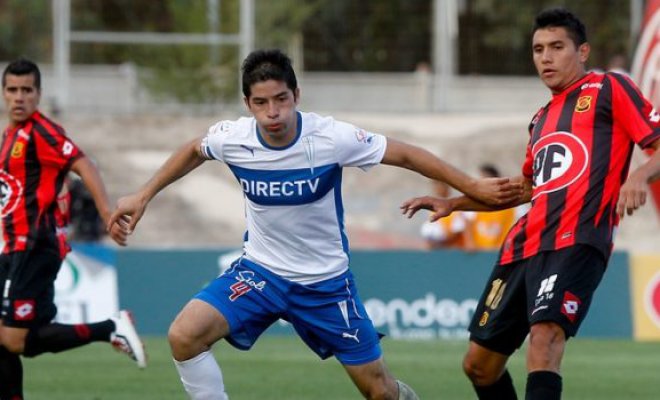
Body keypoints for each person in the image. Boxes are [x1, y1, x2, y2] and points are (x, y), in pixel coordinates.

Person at [107, 49, 521, 400]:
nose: (273, 113)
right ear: (247, 103)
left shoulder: (330, 138)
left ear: (297, 95)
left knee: (380, 391)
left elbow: (407, 155)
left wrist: (468, 185)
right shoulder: (233, 138)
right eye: (262, 102)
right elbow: (194, 149)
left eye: (282, 99)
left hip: (325, 284)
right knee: (184, 336)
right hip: (261, 273)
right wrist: (143, 194)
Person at [401, 8, 660, 400]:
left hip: (577, 240)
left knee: (544, 340)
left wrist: (638, 176)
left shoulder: (608, 89)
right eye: (538, 49)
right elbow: (524, 190)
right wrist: (455, 202)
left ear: (583, 51)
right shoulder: (540, 119)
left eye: (557, 47)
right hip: (523, 247)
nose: (546, 57)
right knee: (478, 365)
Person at [0, 58, 147, 400]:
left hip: (34, 245)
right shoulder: (11, 136)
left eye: (26, 90)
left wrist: (107, 211)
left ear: (38, 94)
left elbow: (83, 164)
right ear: (4, 93)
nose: (19, 97)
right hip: (12, 248)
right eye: (12, 90)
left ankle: (110, 327)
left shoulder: (42, 132)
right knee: (9, 338)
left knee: (13, 340)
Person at [462, 164, 517, 251]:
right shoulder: (474, 204)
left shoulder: (512, 205)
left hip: (502, 251)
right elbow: (468, 222)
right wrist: (470, 243)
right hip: (479, 253)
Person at [420, 180, 469, 249]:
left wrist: (442, 243)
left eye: (441, 185)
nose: (438, 188)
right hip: (441, 251)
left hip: (456, 250)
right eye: (436, 185)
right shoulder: (432, 210)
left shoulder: (456, 208)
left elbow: (458, 231)